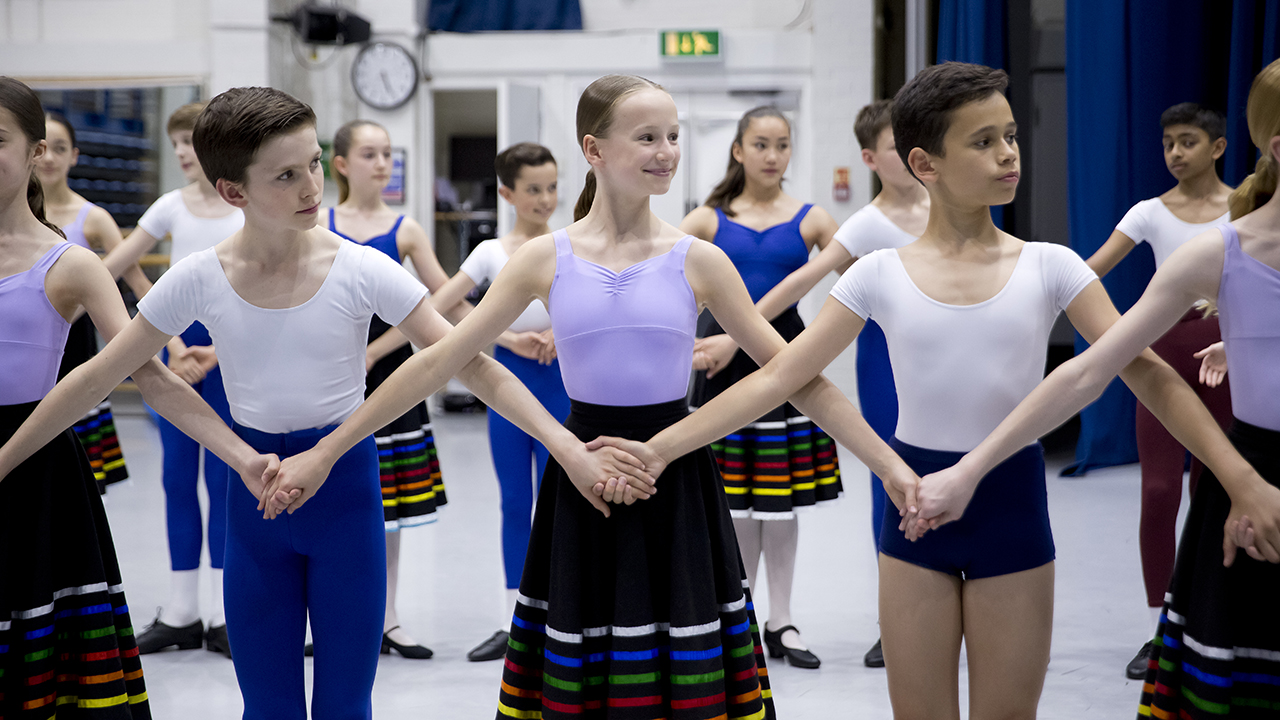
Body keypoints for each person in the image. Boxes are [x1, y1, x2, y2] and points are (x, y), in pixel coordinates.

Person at [588, 61, 1248, 719]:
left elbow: (1150, 376)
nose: (1007, 154)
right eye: (983, 141)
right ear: (924, 163)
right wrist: (660, 449)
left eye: (1011, 135)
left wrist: (1240, 480)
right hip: (913, 507)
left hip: (1011, 508)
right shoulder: (878, 273)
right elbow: (783, 379)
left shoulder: (1054, 267)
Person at [263, 74, 918, 720]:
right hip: (579, 479)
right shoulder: (544, 259)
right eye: (647, 137)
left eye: (673, 136)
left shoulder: (699, 260)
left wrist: (891, 469)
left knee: (685, 678)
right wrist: (326, 451)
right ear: (594, 149)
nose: (666, 150)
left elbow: (797, 376)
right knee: (585, 678)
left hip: (678, 479)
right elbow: (441, 361)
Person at [0, 86, 648, 720]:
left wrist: (566, 448)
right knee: (269, 705)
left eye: (313, 162)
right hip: (256, 500)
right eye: (286, 175)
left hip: (346, 495)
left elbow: (465, 360)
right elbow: (111, 377)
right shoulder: (200, 276)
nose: (312, 186)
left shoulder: (361, 268)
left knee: (344, 704)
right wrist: (239, 455)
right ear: (234, 192)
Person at [908, 58, 1280, 719]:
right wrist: (972, 468)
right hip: (1252, 472)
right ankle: (1151, 612)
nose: (1006, 154)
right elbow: (1087, 368)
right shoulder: (1212, 250)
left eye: (1012, 136)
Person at [0, 75, 269, 720]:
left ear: (37, 152)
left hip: (36, 474)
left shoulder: (70, 263)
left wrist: (243, 457)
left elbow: (147, 373)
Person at [728, 99, 930, 668]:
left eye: (782, 144)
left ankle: (945, 607)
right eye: (897, 146)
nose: (914, 156)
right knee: (890, 471)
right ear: (870, 158)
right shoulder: (862, 223)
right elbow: (809, 280)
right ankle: (894, 619)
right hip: (854, 358)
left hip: (935, 351)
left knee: (952, 470)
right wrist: (731, 335)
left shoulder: (947, 208)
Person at [679, 105, 842, 669]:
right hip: (720, 363)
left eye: (782, 145)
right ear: (739, 150)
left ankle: (784, 619)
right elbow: (664, 284)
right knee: (735, 502)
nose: (773, 156)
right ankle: (740, 614)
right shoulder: (706, 219)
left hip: (786, 356)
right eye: (762, 145)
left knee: (779, 503)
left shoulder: (812, 218)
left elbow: (862, 280)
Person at [1082, 102, 1235, 679]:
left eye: (1188, 141)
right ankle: (1159, 628)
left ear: (1217, 148)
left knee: (1216, 488)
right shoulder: (1149, 212)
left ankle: (1209, 619)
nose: (1175, 152)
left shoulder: (1245, 202)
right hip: (1161, 355)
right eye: (1168, 141)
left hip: (1227, 353)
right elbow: (1091, 269)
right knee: (1159, 489)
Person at [100, 101, 245, 660]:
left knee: (228, 481)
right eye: (177, 143)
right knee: (178, 479)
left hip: (230, 361)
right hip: (181, 357)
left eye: (191, 141)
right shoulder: (169, 207)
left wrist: (216, 350)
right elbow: (115, 265)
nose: (184, 153)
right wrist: (174, 344)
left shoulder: (240, 207)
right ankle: (183, 611)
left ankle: (224, 614)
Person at [428, 142, 569, 662]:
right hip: (507, 384)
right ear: (507, 193)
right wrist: (505, 337)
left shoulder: (569, 243)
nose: (545, 199)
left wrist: (562, 331)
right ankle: (517, 621)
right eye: (533, 189)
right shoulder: (492, 252)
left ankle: (563, 612)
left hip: (563, 384)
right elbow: (441, 303)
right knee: (516, 501)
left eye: (552, 187)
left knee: (561, 503)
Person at [322, 118, 457, 659]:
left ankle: (388, 617)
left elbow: (444, 296)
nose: (382, 164)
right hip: (330, 376)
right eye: (370, 154)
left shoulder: (405, 229)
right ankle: (333, 617)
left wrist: (381, 348)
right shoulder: (318, 224)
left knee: (389, 506)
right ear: (341, 163)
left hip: (392, 377)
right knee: (331, 497)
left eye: (387, 155)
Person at [37, 111, 150, 492]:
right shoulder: (11, 216)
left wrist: (174, 341)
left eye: (61, 148)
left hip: (76, 339)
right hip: (28, 336)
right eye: (44, 148)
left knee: (82, 473)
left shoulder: (94, 217)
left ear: (75, 156)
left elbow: (136, 280)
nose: (50, 158)